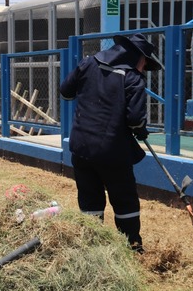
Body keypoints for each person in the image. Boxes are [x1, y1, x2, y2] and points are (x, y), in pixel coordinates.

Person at [59, 33, 163, 254]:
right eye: (145, 62)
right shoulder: (132, 78)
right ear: (137, 57)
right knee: (124, 199)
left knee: (89, 199)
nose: (144, 68)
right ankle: (132, 248)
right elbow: (135, 119)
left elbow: (65, 92)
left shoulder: (88, 63)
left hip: (81, 148)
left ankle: (91, 248)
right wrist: (140, 130)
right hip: (112, 152)